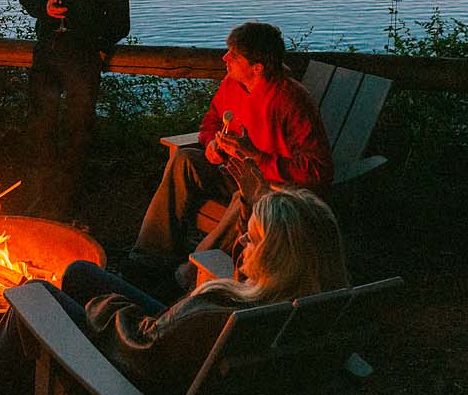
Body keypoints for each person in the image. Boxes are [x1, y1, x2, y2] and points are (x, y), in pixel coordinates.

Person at [0, 188, 347, 395]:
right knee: (79, 274)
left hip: (142, 388)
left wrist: (105, 307)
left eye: (250, 241)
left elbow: (138, 347)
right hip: (182, 358)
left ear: (278, 260)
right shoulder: (314, 313)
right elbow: (165, 335)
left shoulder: (217, 313)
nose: (238, 246)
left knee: (33, 293)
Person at [128, 21, 333, 295]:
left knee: (243, 196)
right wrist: (211, 143)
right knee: (185, 160)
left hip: (274, 190)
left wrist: (258, 158)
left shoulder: (291, 101)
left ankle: (187, 274)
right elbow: (211, 121)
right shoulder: (232, 84)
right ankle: (149, 257)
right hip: (232, 173)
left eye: (233, 55)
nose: (224, 58)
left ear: (257, 67)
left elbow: (320, 170)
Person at [19, 0, 130, 213]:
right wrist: (45, 8)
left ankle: (70, 196)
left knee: (78, 128)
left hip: (84, 59)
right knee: (41, 123)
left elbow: (120, 20)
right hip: (49, 52)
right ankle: (40, 192)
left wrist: (99, 50)